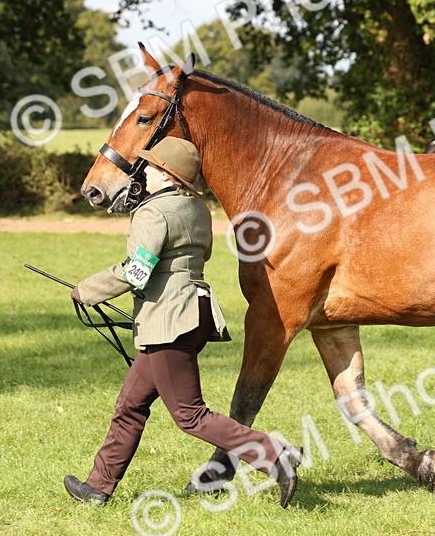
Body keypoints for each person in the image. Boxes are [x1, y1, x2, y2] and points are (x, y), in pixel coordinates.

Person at [64, 137, 300, 507]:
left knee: (190, 415)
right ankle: (97, 486)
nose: (146, 171)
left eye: (154, 167)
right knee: (131, 405)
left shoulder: (152, 213)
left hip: (168, 317)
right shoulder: (197, 209)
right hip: (197, 310)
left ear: (168, 175)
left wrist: (88, 289)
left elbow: (138, 271)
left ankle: (274, 453)